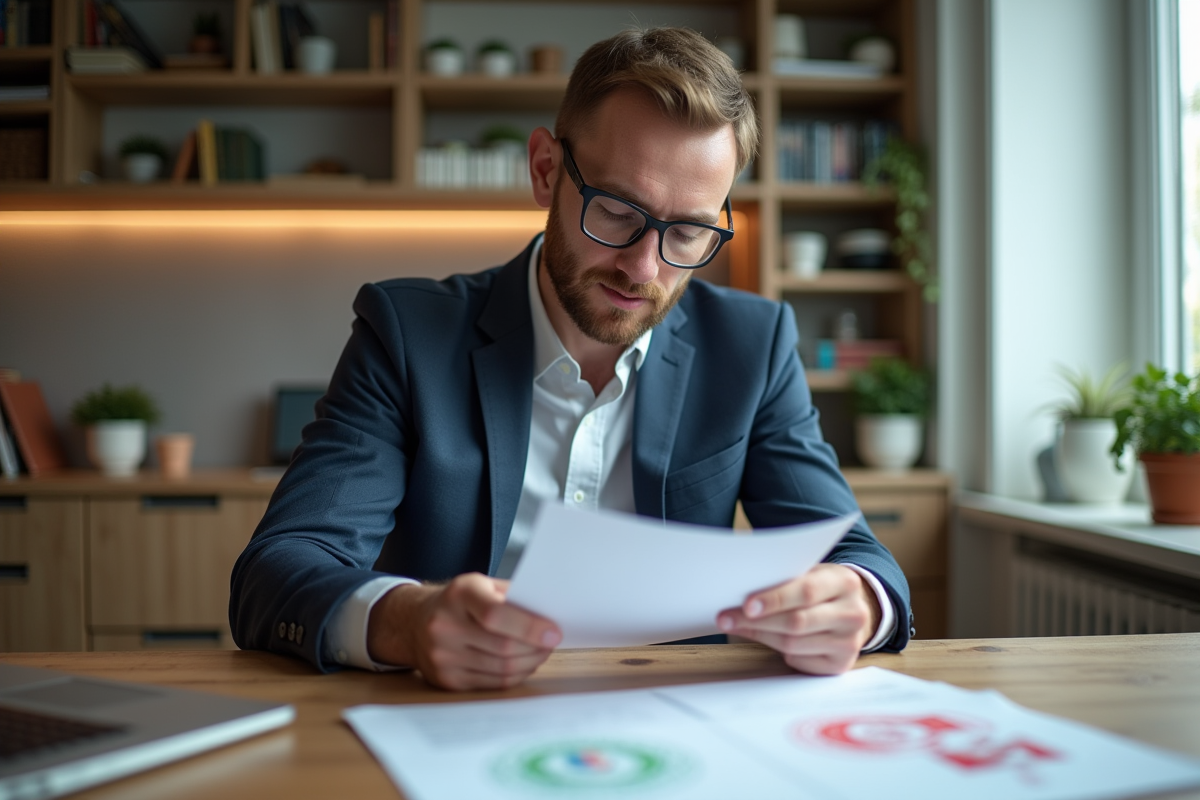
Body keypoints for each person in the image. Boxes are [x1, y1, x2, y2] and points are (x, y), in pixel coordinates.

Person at [230, 27, 912, 691]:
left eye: (689, 231)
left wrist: (855, 601)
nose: (644, 267)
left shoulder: (751, 344)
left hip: (680, 729)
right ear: (546, 171)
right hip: (456, 721)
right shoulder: (408, 333)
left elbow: (858, 561)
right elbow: (278, 569)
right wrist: (407, 623)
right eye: (617, 211)